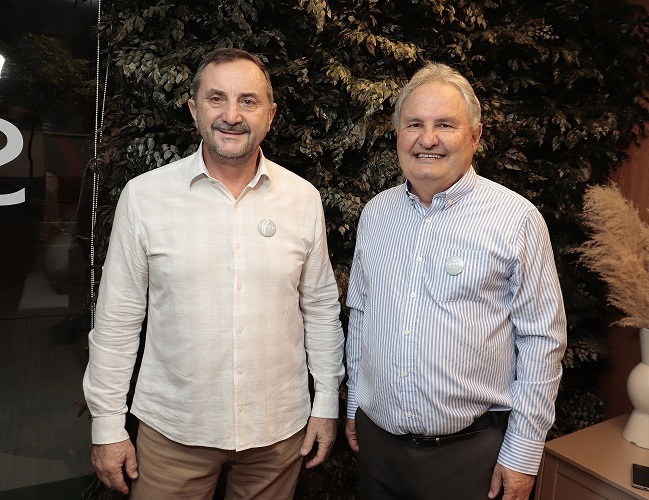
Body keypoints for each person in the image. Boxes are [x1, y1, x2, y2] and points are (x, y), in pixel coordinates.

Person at [83, 48, 345, 499]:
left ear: (270, 115)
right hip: (174, 431)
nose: (232, 115)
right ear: (194, 109)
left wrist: (325, 403)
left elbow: (320, 308)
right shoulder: (144, 198)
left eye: (248, 101)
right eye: (216, 98)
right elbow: (117, 319)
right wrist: (107, 425)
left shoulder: (302, 199)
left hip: (278, 433)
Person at [344, 62, 567, 500]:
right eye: (414, 124)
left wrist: (522, 453)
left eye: (445, 125)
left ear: (475, 136)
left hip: (469, 457)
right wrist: (355, 404)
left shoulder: (516, 219)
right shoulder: (376, 214)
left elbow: (542, 341)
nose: (427, 139)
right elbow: (363, 314)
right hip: (377, 447)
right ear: (398, 134)